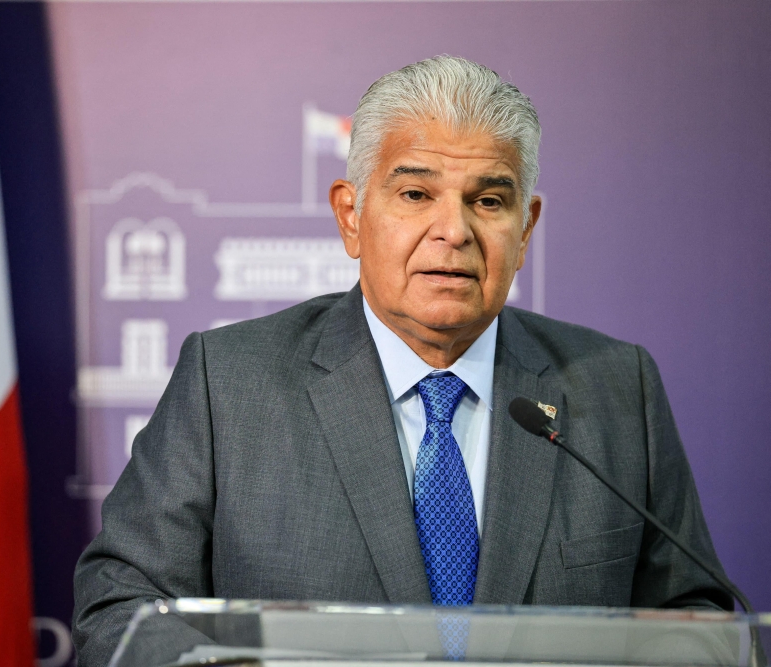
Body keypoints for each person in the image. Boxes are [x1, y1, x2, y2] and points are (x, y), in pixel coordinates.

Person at [73, 55, 731, 665]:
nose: (455, 230)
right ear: (352, 216)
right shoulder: (230, 383)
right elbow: (120, 599)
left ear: (525, 229)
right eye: (416, 195)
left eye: (489, 200)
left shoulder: (617, 389)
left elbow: (692, 615)